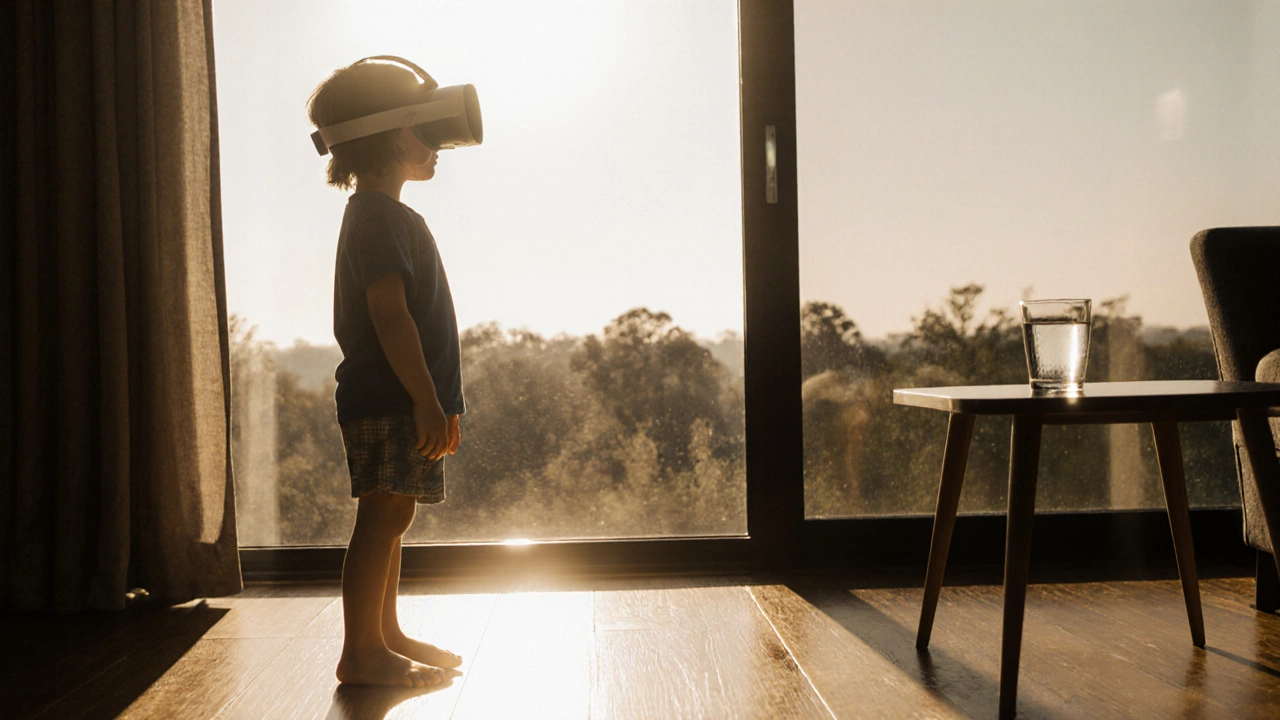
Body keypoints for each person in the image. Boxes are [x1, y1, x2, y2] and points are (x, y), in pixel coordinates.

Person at [307, 59, 466, 689]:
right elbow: (390, 315)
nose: (439, 145)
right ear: (396, 132)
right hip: (388, 397)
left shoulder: (391, 216)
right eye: (428, 129)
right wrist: (425, 399)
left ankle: (386, 634)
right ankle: (361, 653)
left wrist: (442, 401)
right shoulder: (375, 217)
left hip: (406, 397)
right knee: (383, 516)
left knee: (395, 516)